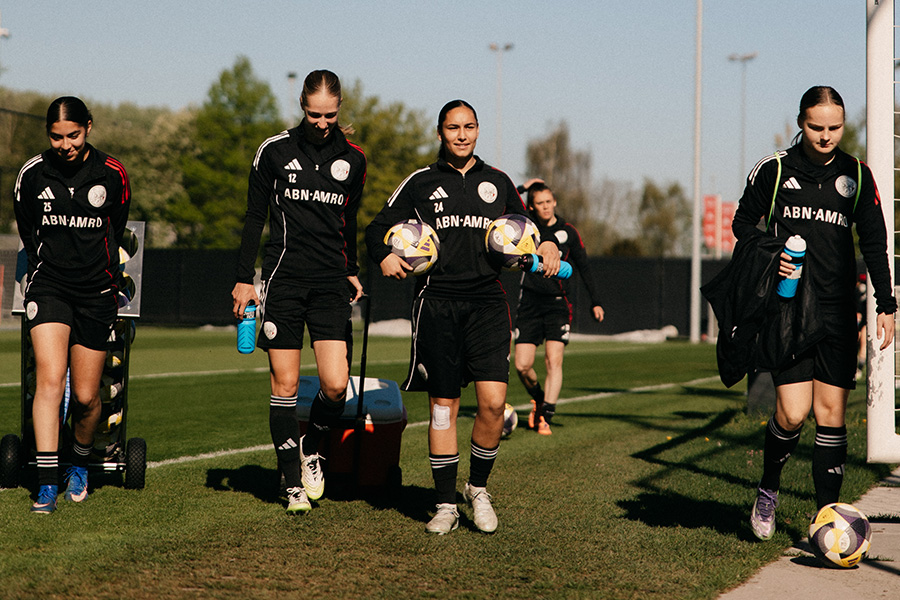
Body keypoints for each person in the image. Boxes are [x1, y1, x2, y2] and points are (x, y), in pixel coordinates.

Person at [365, 100, 561, 534]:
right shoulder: (420, 182)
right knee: (442, 408)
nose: (462, 135)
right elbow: (376, 228)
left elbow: (526, 232)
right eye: (452, 127)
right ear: (440, 134)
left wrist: (546, 246)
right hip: (435, 304)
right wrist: (383, 256)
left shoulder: (498, 182)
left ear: (478, 130)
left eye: (469, 126)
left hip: (488, 305)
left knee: (492, 403)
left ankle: (477, 488)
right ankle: (444, 504)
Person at [731, 86, 895, 541]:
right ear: (799, 123)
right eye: (816, 127)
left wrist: (886, 304)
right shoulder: (775, 170)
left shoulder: (857, 175)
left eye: (835, 128)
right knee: (791, 413)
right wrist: (774, 251)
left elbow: (876, 243)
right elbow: (743, 225)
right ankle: (768, 490)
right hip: (789, 310)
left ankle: (827, 519)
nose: (826, 137)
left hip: (840, 312)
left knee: (831, 415)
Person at [232, 70, 366, 514]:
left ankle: (309, 447)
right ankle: (291, 482)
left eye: (330, 115)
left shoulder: (354, 160)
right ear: (301, 106)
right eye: (314, 114)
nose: (322, 123)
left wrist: (352, 270)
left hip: (330, 284)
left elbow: (347, 224)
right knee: (284, 383)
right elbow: (254, 219)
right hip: (283, 281)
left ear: (339, 109)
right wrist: (242, 279)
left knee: (335, 385)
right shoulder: (274, 151)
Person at [14, 96, 132, 513]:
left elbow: (116, 229)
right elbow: (28, 233)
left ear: (89, 127)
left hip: (96, 293)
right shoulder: (31, 175)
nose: (65, 144)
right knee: (49, 379)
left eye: (74, 135)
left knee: (85, 397)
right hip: (48, 288)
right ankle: (47, 483)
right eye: (56, 136)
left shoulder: (113, 173)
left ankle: (79, 462)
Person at [513, 180, 604, 435]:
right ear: (532, 206)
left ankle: (546, 417)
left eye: (548, 202)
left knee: (554, 361)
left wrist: (595, 301)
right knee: (522, 365)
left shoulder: (568, 232)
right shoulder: (526, 227)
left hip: (557, 303)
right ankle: (538, 398)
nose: (545, 207)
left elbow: (584, 267)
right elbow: (507, 206)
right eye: (539, 203)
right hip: (529, 302)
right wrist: (522, 186)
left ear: (554, 202)